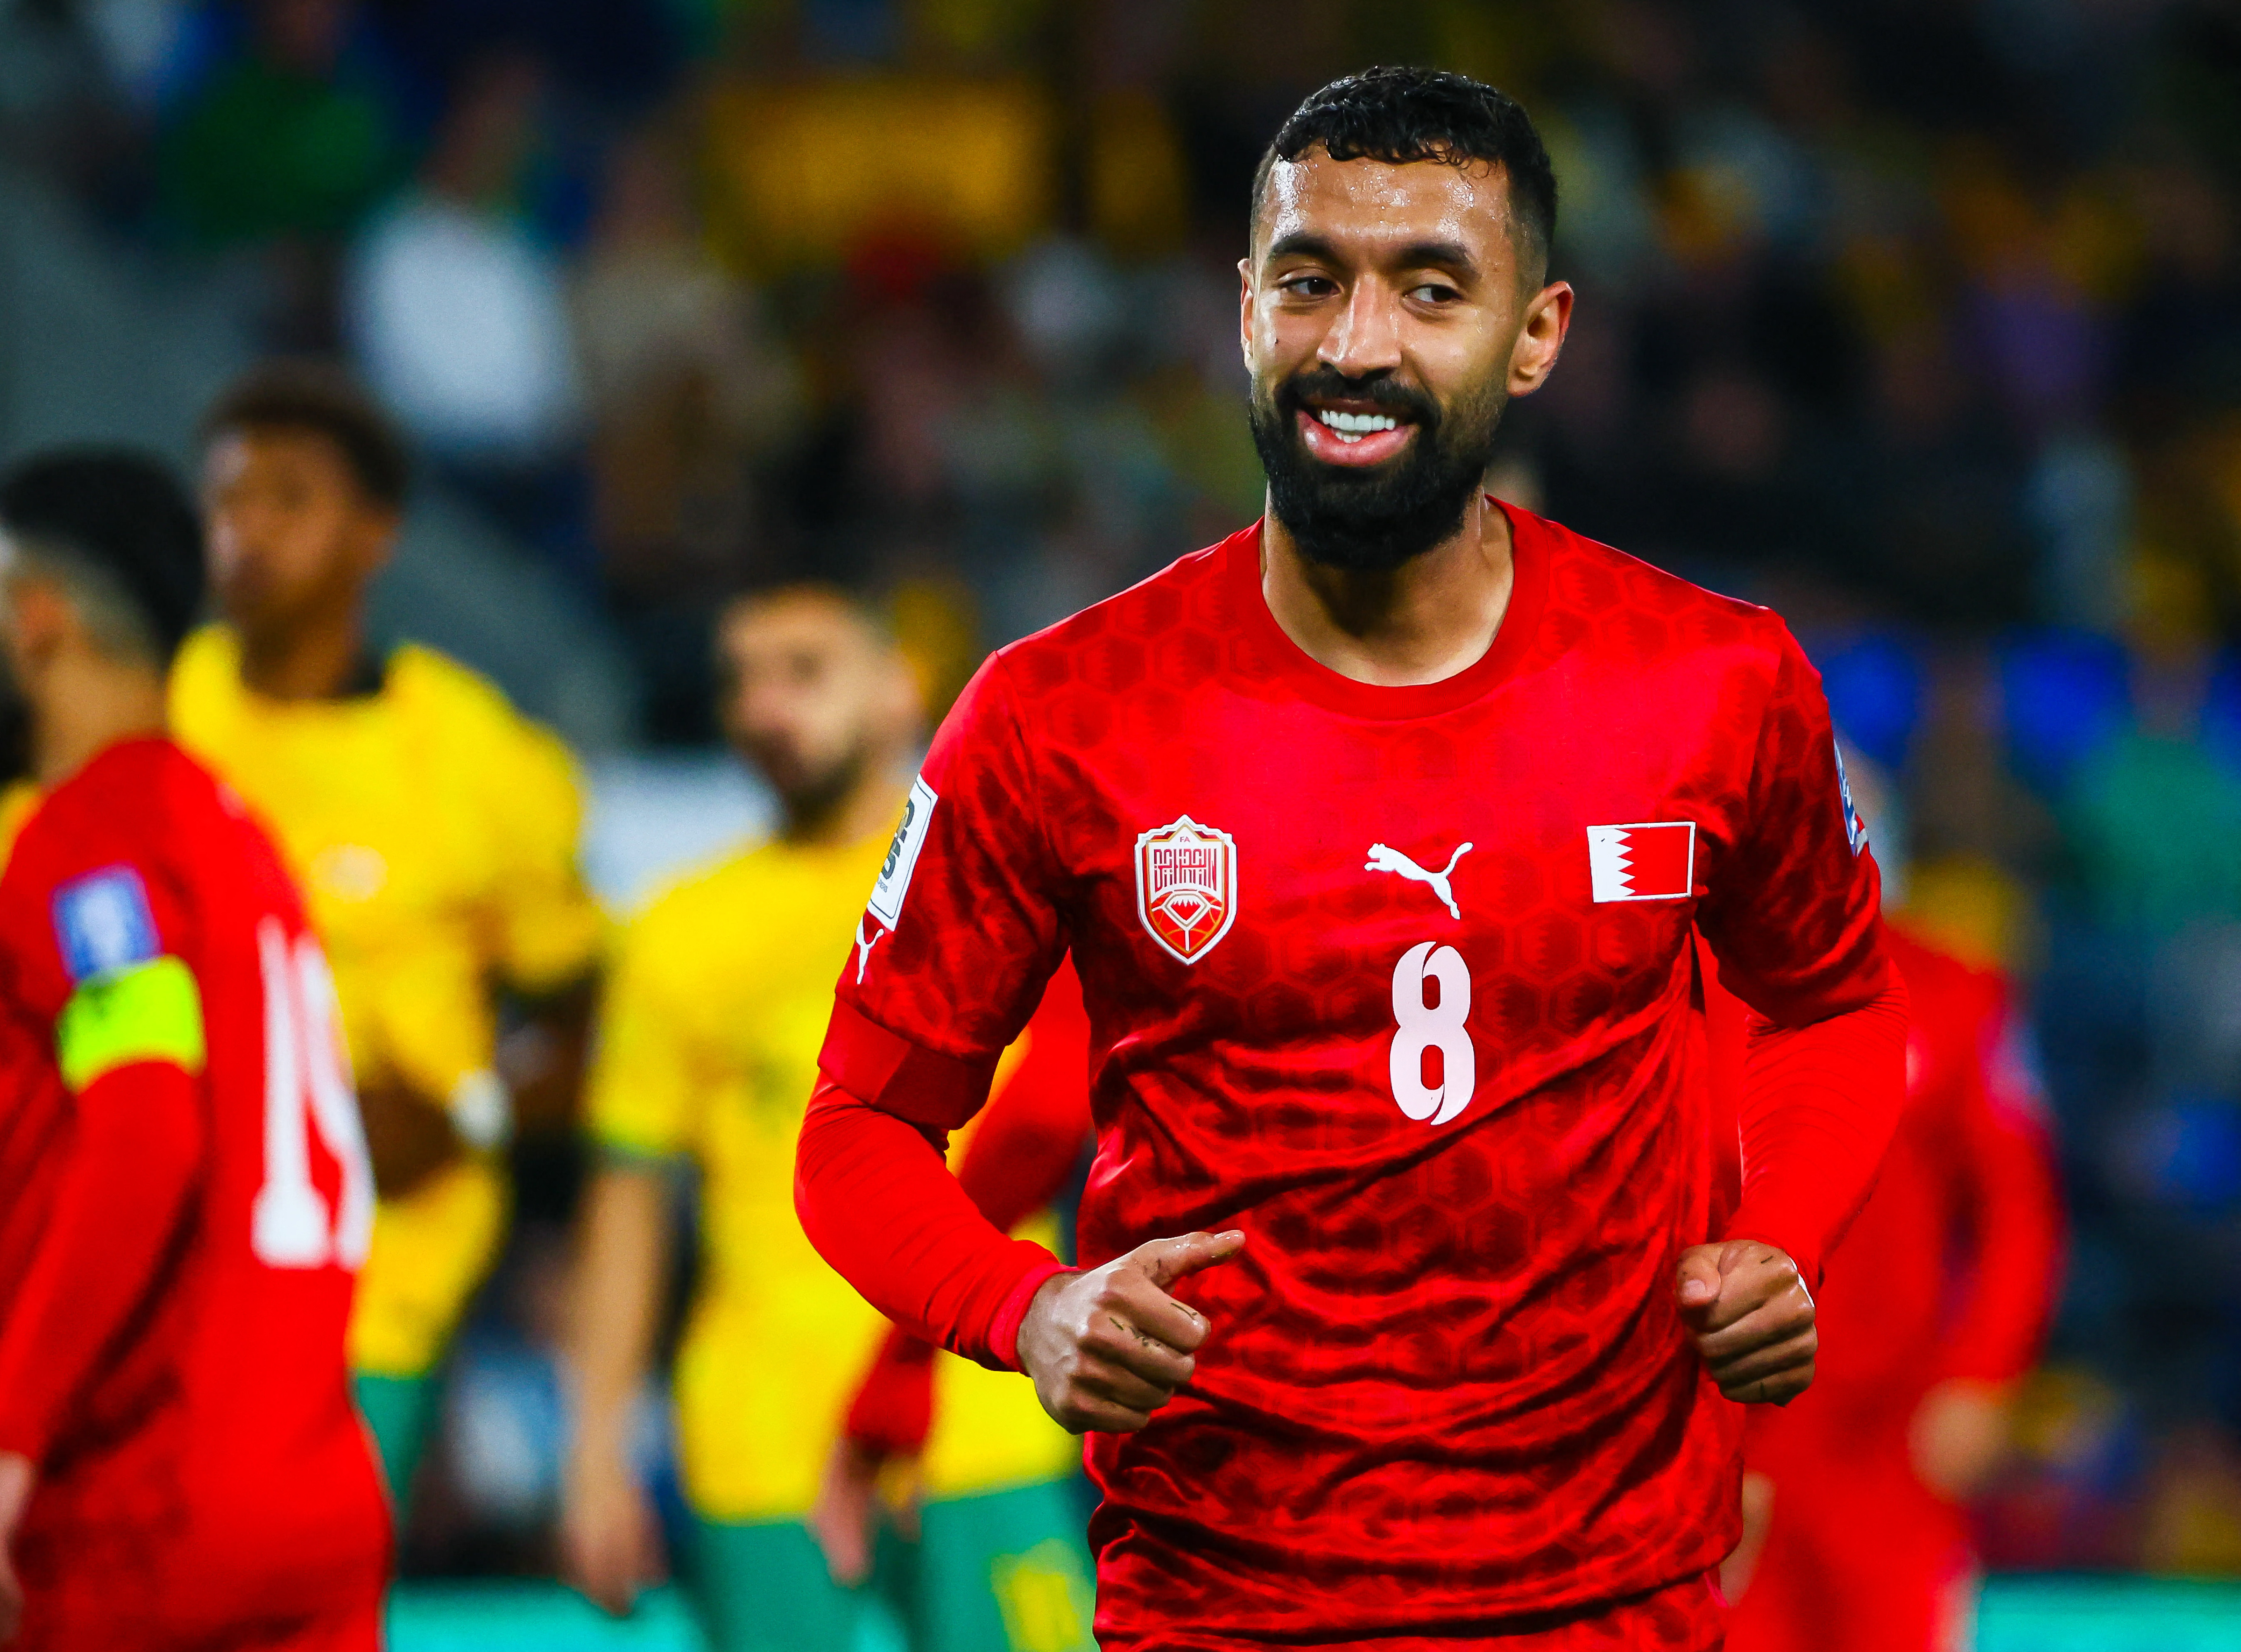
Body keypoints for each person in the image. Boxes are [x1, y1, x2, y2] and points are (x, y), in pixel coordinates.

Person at [792, 66, 1911, 1652]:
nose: (1357, 345)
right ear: (1243, 308)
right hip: (1219, 1603)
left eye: (1431, 289)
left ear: (1540, 335)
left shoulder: (1715, 680)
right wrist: (1022, 1309)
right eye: (1311, 280)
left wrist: (1785, 1238)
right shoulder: (1056, 713)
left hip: (1614, 1599)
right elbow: (857, 1130)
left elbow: (1838, 1007)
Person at [0, 451, 388, 1650]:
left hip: (142, 1495)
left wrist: (1, 1439)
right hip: (312, 1495)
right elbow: (173, 1207)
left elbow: (147, 1130)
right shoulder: (236, 846)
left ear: (36, 616)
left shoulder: (89, 849)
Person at [0, 362, 608, 1502]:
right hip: (151, 1290)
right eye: (227, 501)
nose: (248, 532)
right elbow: (26, 960)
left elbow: (580, 1012)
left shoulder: (481, 761)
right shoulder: (128, 726)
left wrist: (469, 1109)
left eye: (289, 500)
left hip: (374, 1302)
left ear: (377, 534)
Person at [563, 586, 1097, 1652]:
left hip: (983, 1416)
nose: (763, 707)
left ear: (900, 683)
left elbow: (1052, 1127)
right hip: (761, 1445)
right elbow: (626, 1210)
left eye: (803, 670)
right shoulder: (679, 931)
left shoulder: (1001, 881)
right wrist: (592, 1453)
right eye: (741, 681)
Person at [1723, 771, 2061, 1652]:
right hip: (1727, 1441)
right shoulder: (1684, 995)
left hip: (1889, 1445)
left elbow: (2018, 1208)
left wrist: (1982, 1374)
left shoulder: (1954, 993)